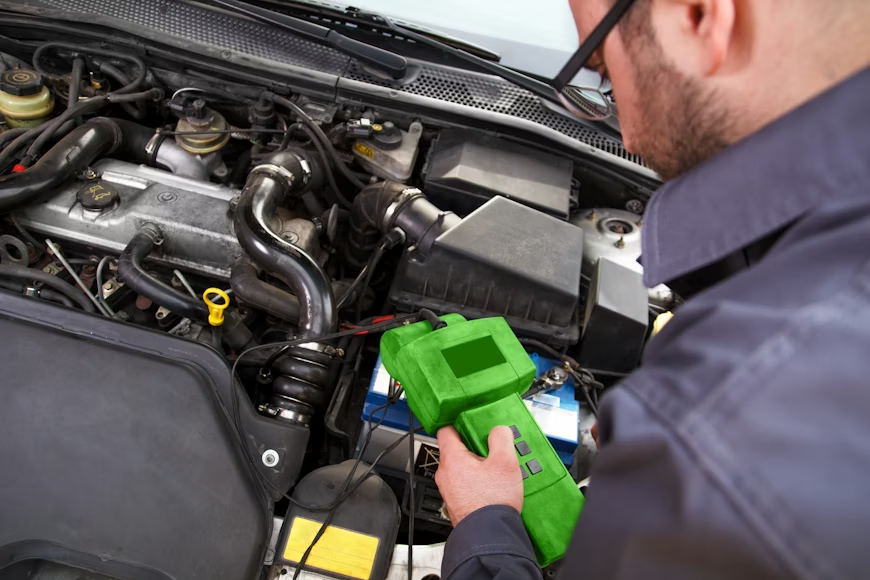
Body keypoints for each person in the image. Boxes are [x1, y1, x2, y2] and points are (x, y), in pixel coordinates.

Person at [433, 0, 870, 578]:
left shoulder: (719, 431)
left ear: (700, 16)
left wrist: (485, 524)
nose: (627, 133)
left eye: (603, 74)